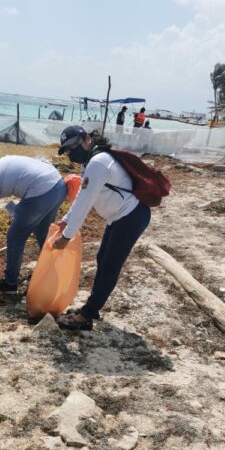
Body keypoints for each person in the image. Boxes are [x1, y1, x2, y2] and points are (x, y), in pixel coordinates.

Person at [52, 125, 151, 330]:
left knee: (109, 266)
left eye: (74, 146)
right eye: (67, 150)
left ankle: (86, 317)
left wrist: (67, 236)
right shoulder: (92, 161)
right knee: (102, 260)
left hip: (130, 216)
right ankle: (92, 307)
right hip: (120, 218)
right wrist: (66, 219)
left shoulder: (98, 163)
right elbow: (83, 195)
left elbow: (86, 202)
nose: (71, 153)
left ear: (87, 138)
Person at [0, 156, 67, 293]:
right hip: (58, 185)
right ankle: (52, 275)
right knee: (43, 233)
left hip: (42, 191)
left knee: (15, 236)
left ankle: (10, 284)